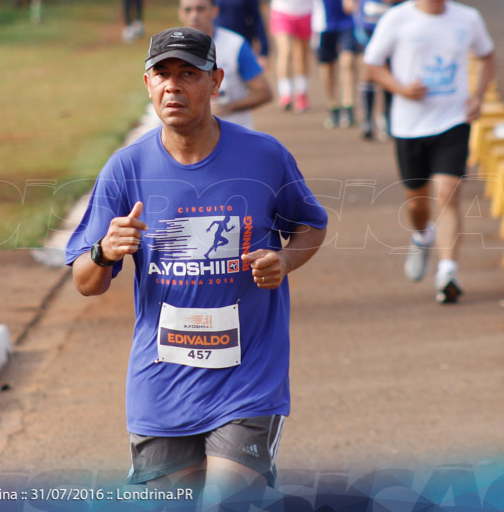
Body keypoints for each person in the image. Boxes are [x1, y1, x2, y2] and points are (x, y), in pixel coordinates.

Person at [65, 26, 328, 507]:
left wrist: (285, 259)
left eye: (188, 73)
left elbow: (310, 224)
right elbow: (86, 282)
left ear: (216, 82)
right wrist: (105, 250)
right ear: (147, 84)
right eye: (162, 74)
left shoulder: (264, 157)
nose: (173, 86)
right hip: (162, 384)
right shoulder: (126, 169)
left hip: (247, 379)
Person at [363, 0, 495, 304]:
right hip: (408, 125)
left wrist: (478, 96)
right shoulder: (397, 19)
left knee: (448, 194)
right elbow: (372, 65)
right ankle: (422, 236)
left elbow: (487, 55)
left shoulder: (468, 18)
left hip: (453, 119)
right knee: (418, 203)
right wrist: (401, 88)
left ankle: (447, 272)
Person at [342, 0, 415, 140]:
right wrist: (348, 0)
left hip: (393, 27)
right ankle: (367, 120)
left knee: (390, 72)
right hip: (366, 25)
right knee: (369, 69)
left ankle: (388, 118)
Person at [300, 0, 366, 129]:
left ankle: (349, 105)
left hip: (349, 18)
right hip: (323, 21)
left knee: (348, 61)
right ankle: (333, 105)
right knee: (327, 65)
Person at [177, 0, 272, 129]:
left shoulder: (235, 45)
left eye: (200, 9)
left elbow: (264, 93)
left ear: (214, 11)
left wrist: (230, 106)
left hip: (233, 135)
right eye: (188, 10)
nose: (194, 15)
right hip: (191, 141)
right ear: (180, 13)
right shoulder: (172, 49)